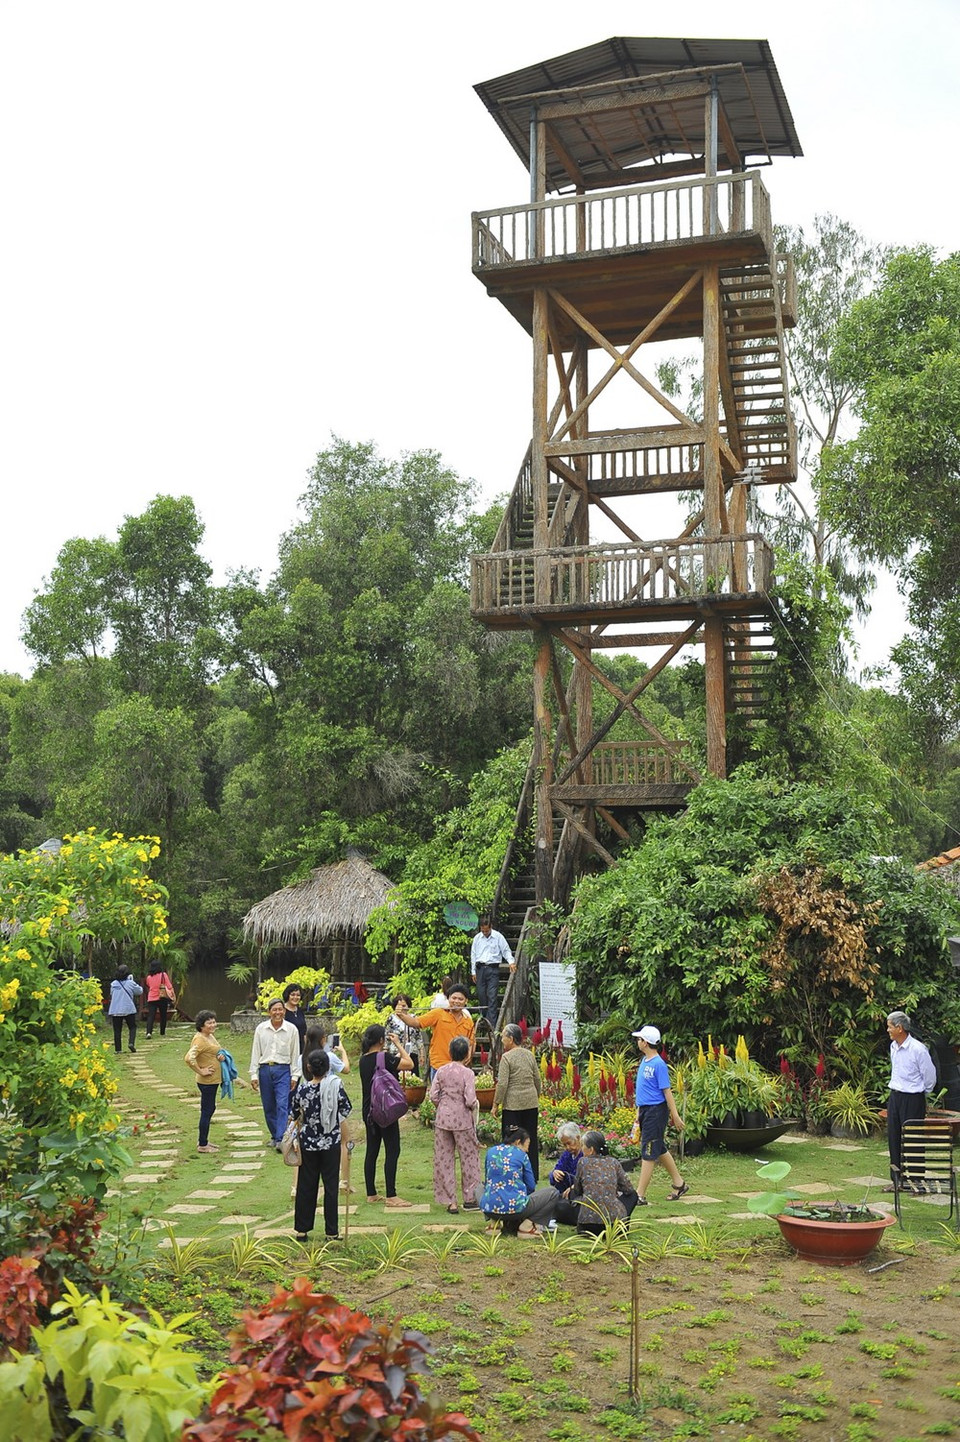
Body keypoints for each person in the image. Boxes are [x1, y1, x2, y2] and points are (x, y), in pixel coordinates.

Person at [292, 1047, 352, 1241]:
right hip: (330, 1141)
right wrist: (332, 1119)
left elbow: (294, 1112)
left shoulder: (303, 1089)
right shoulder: (335, 1086)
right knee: (330, 1186)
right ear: (328, 1067)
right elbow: (346, 1108)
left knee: (306, 1185)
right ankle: (331, 1231)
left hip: (308, 1142)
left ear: (308, 1068)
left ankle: (302, 1230)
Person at [359, 1023, 415, 1208]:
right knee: (392, 1149)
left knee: (372, 1150)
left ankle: (371, 1193)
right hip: (385, 1109)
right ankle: (391, 1195)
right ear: (382, 1040)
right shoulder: (384, 1057)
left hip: (369, 1110)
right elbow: (410, 1063)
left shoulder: (363, 1060)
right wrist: (398, 1044)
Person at [632, 1025, 687, 1204]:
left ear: (645, 1043)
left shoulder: (658, 1064)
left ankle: (639, 1195)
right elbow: (643, 1090)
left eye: (639, 1039)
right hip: (645, 1110)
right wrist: (638, 1113)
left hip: (656, 1111)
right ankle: (679, 1184)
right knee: (659, 1147)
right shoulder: (644, 1061)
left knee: (648, 1151)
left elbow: (667, 1091)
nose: (637, 1041)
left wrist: (675, 1115)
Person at [884, 1010, 937, 1189]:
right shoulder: (893, 1047)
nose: (888, 1030)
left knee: (913, 1139)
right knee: (894, 1138)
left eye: (890, 1027)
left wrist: (922, 1093)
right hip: (895, 1096)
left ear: (899, 1028)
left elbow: (929, 1076)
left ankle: (916, 1181)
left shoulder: (918, 1049)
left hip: (913, 1098)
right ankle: (897, 1180)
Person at [430, 1036, 481, 1213]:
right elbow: (470, 1099)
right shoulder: (468, 1073)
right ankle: (470, 1198)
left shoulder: (441, 1071)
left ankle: (450, 1201)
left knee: (444, 1159)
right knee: (469, 1158)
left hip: (443, 1119)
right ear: (467, 1054)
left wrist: (444, 1106)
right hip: (463, 1121)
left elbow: (433, 1095)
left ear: (449, 1052)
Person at [478, 1125, 558, 1236]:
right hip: (516, 1209)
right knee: (553, 1193)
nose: (528, 1150)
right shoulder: (522, 1155)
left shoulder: (491, 1151)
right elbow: (531, 1186)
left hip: (490, 1209)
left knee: (479, 1188)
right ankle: (527, 1226)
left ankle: (494, 1223)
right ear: (518, 1142)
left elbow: (488, 1181)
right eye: (527, 1146)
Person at [249, 998, 302, 1149]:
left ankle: (280, 1139)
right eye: (274, 1010)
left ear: (284, 1011)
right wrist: (253, 1074)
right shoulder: (261, 1029)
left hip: (283, 1070)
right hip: (265, 1069)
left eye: (280, 1009)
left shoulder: (291, 1029)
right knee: (268, 1106)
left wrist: (295, 1076)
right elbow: (256, 1052)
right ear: (269, 1012)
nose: (278, 1012)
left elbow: (295, 1053)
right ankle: (275, 1135)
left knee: (282, 1104)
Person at [492, 1023, 542, 1180]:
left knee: (511, 1140)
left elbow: (503, 1084)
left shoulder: (506, 1058)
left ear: (511, 1038)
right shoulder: (529, 1055)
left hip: (513, 1105)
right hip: (531, 1103)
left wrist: (496, 1104)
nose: (502, 1040)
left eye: (503, 1037)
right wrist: (536, 1095)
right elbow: (537, 1079)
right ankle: (532, 1174)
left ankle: (511, 1173)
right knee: (530, 1139)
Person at [568, 1129, 639, 1234]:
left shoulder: (582, 1162)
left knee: (572, 1193)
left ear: (591, 1150)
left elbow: (578, 1190)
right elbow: (629, 1189)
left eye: (583, 1146)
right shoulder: (613, 1162)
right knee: (633, 1195)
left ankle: (580, 1220)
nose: (581, 1149)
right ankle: (622, 1223)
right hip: (612, 1226)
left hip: (587, 1227)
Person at [396, 987, 475, 1079]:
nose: (456, 1001)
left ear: (466, 1001)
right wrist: (401, 1015)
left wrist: (469, 1054)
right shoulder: (438, 1013)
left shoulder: (468, 1021)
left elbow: (471, 1042)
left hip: (460, 1067)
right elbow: (416, 1022)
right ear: (448, 998)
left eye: (460, 999)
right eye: (454, 998)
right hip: (439, 1065)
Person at [184, 1010, 224, 1153]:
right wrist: (201, 1071)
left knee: (210, 1108)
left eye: (214, 1022)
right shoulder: (199, 1039)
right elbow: (189, 1058)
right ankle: (202, 1144)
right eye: (209, 1023)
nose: (213, 1025)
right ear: (201, 1025)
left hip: (214, 1080)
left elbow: (212, 1052)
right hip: (207, 1082)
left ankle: (204, 1140)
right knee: (207, 1110)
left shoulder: (209, 1036)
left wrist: (219, 1057)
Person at [470, 916, 515, 1029]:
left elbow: (506, 950)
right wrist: (473, 971)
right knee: (481, 995)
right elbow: (473, 955)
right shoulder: (477, 938)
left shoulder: (498, 937)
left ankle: (493, 1024)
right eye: (483, 931)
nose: (485, 933)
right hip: (480, 968)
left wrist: (511, 962)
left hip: (493, 968)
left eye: (487, 930)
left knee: (492, 996)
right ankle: (484, 1019)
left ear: (491, 927)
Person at [549, 1121, 584, 1225]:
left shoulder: (585, 1155)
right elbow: (556, 1171)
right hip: (564, 1194)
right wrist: (554, 1173)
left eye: (569, 1143)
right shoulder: (567, 1155)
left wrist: (574, 1187)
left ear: (578, 1138)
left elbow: (588, 1178)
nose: (567, 1147)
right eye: (564, 1145)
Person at [108, 965, 143, 1053]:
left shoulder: (113, 984)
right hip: (128, 1008)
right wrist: (132, 981)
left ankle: (118, 1049)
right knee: (132, 1027)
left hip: (115, 1009)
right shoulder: (130, 983)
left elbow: (112, 994)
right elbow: (140, 991)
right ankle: (131, 1043)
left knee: (117, 1030)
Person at [386, 993, 423, 1075]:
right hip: (396, 1054)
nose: (401, 1008)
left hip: (412, 1053)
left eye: (403, 1005)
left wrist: (422, 1054)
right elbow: (387, 1038)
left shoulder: (413, 1018)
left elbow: (418, 1037)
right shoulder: (391, 1019)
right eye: (399, 1006)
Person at [143, 958, 175, 1038]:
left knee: (151, 1016)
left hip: (151, 998)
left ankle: (149, 1032)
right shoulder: (163, 975)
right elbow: (169, 986)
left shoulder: (149, 977)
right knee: (163, 1015)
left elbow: (148, 985)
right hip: (162, 997)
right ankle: (162, 1032)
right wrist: (172, 995)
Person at [282, 984, 307, 1052]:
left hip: (301, 1048)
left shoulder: (300, 1011)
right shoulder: (282, 1011)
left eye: (298, 995)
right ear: (287, 995)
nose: (295, 997)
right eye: (292, 995)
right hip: (287, 1047)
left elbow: (304, 1033)